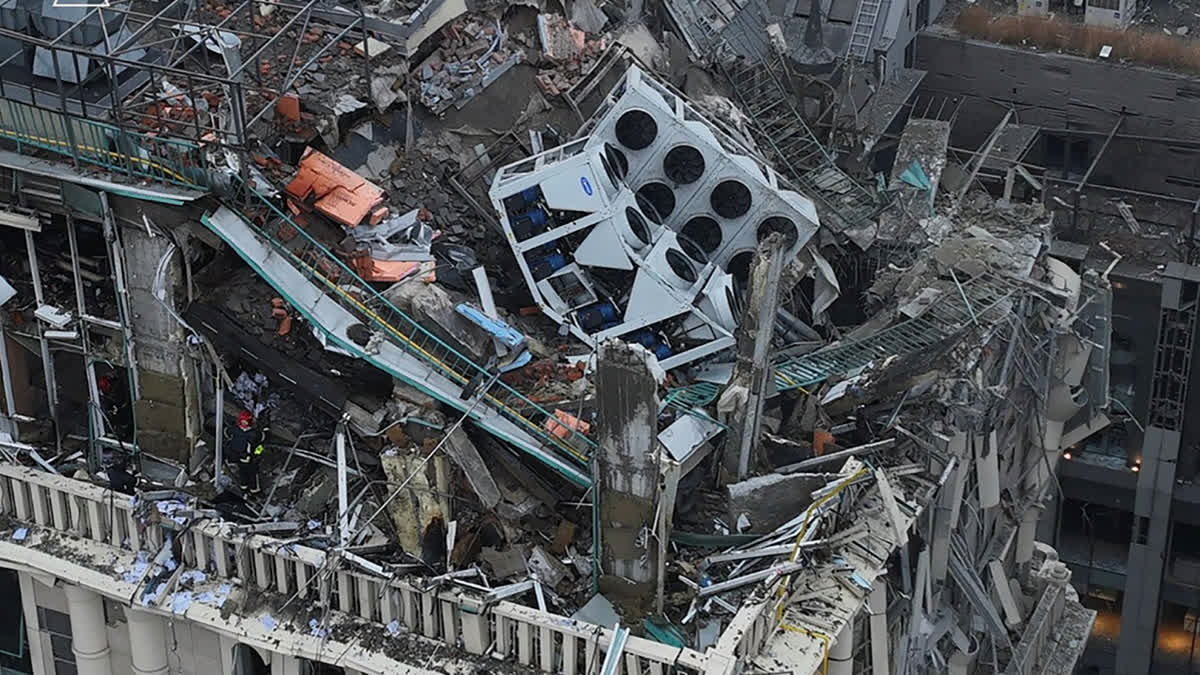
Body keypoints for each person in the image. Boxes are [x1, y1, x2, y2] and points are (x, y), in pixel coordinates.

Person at [228, 410, 268, 497]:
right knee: (252, 475)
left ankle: (244, 489)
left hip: (238, 457)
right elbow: (262, 442)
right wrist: (257, 454)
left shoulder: (234, 430)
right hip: (249, 458)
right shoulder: (254, 434)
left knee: (242, 474)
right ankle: (254, 491)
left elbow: (227, 433)